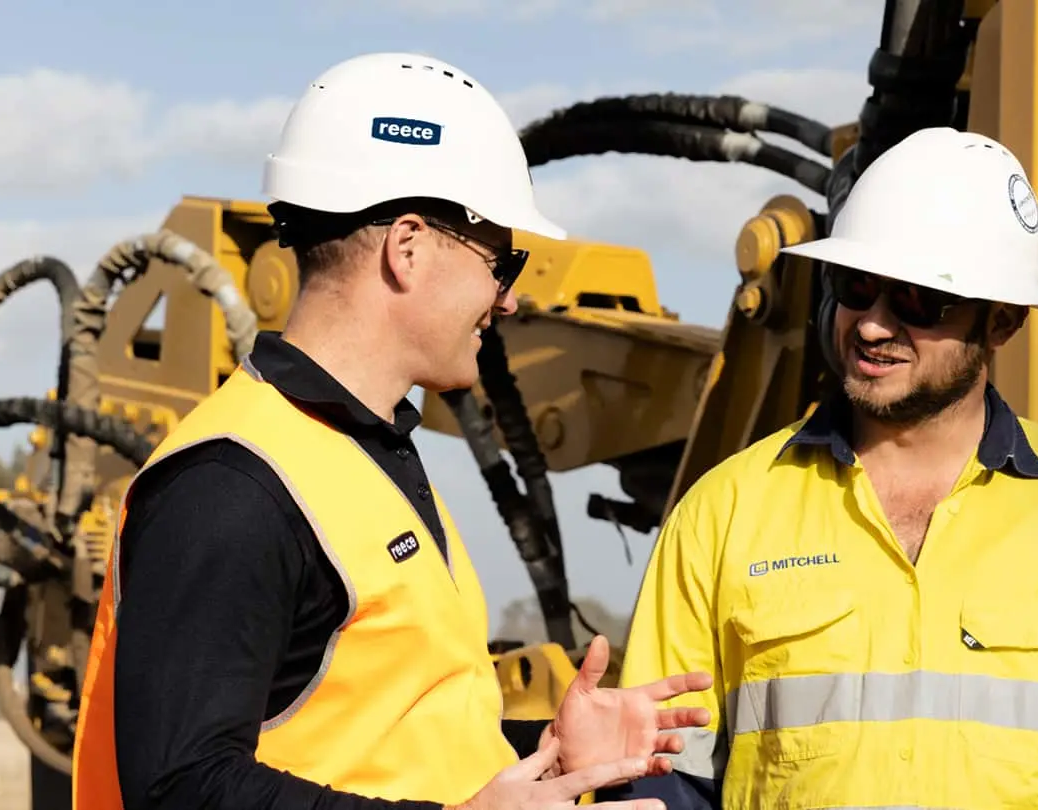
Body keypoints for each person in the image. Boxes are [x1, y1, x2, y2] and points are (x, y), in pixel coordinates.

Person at [70, 51, 713, 810]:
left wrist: (547, 752)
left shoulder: (365, 457)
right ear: (406, 248)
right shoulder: (229, 485)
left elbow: (395, 744)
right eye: (501, 262)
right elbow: (182, 785)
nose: (507, 299)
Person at [600, 127, 1038, 809]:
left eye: (916, 299)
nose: (871, 326)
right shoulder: (721, 513)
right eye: (855, 287)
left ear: (1002, 321)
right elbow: (663, 782)